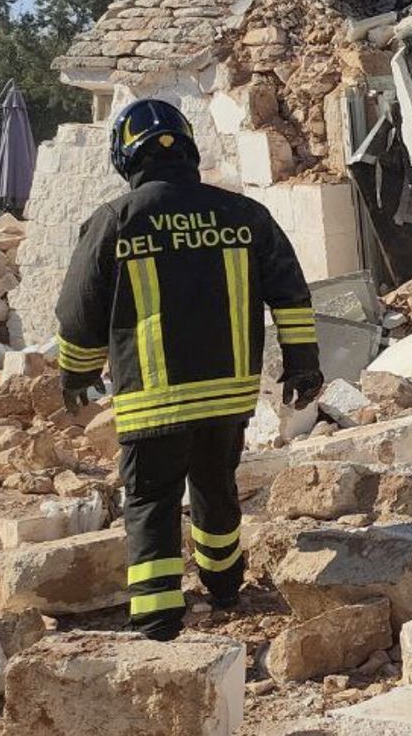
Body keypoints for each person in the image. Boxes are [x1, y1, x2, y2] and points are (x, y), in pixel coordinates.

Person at [55, 99, 324, 641]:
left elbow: (79, 314)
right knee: (215, 486)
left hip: (152, 399)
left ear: (124, 157)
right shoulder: (244, 216)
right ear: (189, 149)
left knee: (151, 502)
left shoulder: (115, 221)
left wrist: (76, 374)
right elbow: (291, 294)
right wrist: (303, 364)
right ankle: (224, 586)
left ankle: (158, 620)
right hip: (228, 396)